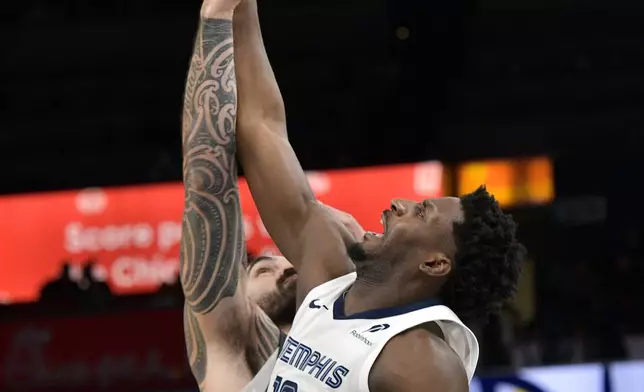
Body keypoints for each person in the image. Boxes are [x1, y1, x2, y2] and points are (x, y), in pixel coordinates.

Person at [232, 0, 525, 391]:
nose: (399, 205)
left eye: (421, 213)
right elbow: (262, 128)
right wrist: (238, 9)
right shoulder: (328, 275)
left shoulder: (420, 362)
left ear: (436, 264)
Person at [178, 2, 366, 388]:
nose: (287, 268)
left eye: (279, 263)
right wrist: (218, 17)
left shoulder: (373, 334)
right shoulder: (241, 349)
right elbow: (207, 184)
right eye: (263, 270)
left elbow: (266, 129)